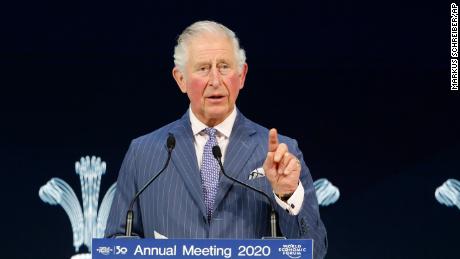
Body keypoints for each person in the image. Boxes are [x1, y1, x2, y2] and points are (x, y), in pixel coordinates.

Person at [105, 20, 327, 257]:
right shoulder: (144, 153)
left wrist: (288, 195)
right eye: (202, 68)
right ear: (180, 79)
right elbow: (115, 245)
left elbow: (314, 251)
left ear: (241, 76)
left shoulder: (280, 153)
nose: (215, 80)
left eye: (224, 66)